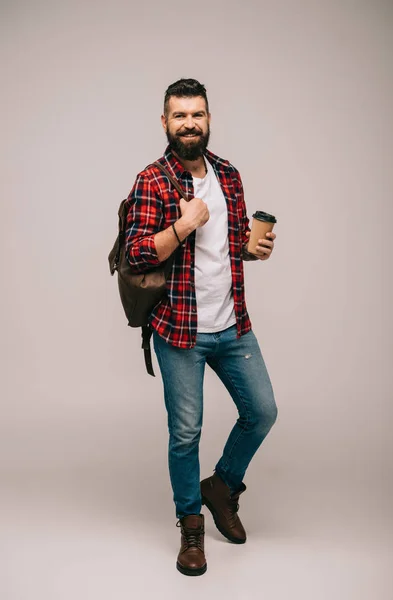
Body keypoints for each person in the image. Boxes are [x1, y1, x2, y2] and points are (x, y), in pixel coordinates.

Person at [125, 78, 278, 576]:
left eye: (198, 114)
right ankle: (191, 522)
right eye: (180, 115)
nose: (190, 123)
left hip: (233, 324)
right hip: (180, 331)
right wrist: (183, 225)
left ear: (208, 119)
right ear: (165, 122)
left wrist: (250, 249)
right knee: (185, 433)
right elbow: (135, 253)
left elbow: (230, 246)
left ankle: (222, 486)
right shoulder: (154, 180)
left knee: (262, 412)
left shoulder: (229, 175)